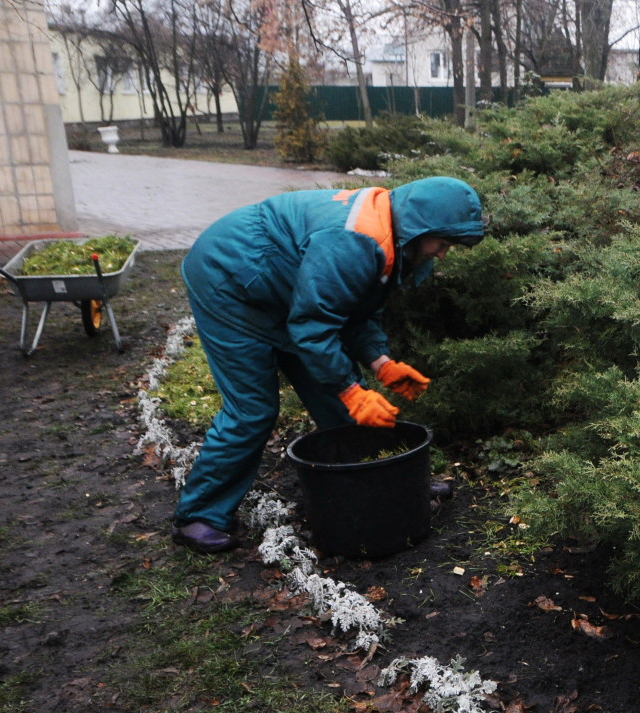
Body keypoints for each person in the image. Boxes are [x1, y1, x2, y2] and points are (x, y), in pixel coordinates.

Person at [171, 177, 484, 554]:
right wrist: (352, 390)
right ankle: (199, 515)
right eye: (443, 243)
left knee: (338, 398)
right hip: (229, 281)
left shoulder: (387, 232)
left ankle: (389, 484)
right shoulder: (352, 240)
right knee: (252, 410)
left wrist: (381, 363)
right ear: (420, 227)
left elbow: (354, 307)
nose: (442, 254)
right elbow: (314, 327)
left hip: (283, 289)